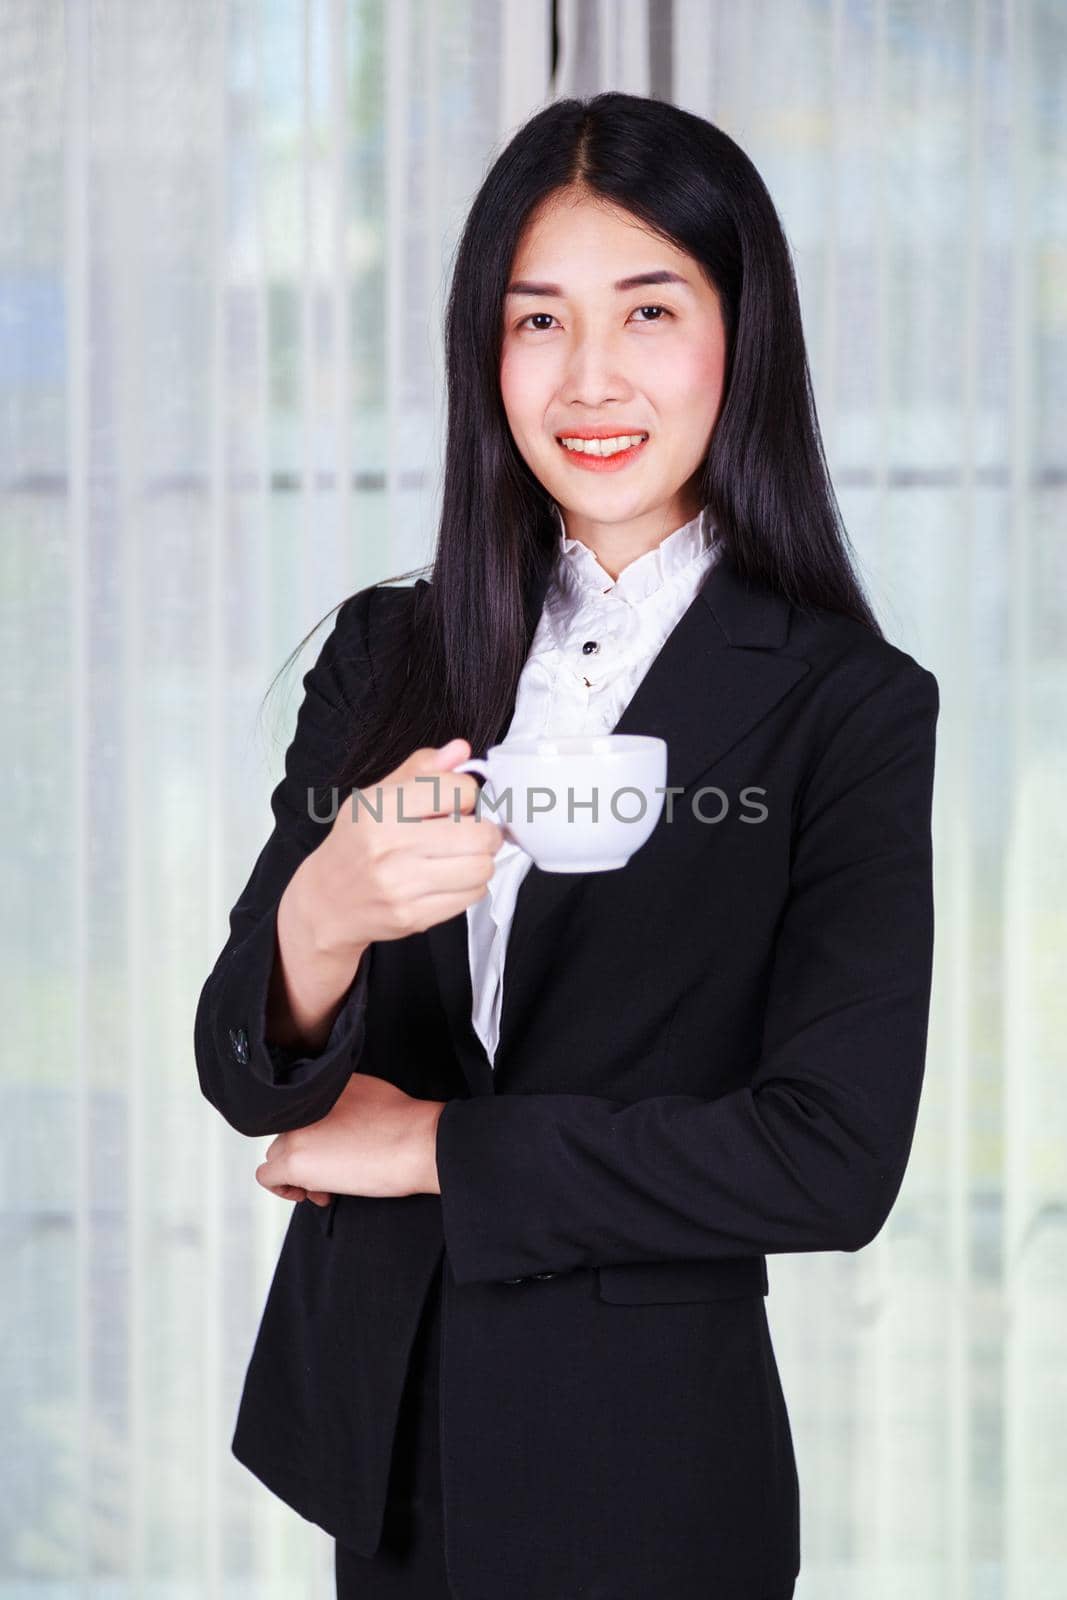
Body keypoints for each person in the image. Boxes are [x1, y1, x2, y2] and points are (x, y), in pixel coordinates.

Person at [194, 91, 939, 1600]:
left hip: (651, 1471)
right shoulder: (388, 652)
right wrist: (321, 916)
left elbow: (830, 1161)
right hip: (389, 1449)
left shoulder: (845, 706)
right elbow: (241, 1073)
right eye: (538, 322)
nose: (590, 378)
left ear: (744, 336)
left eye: (649, 309)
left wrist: (435, 1151)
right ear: (487, 353)